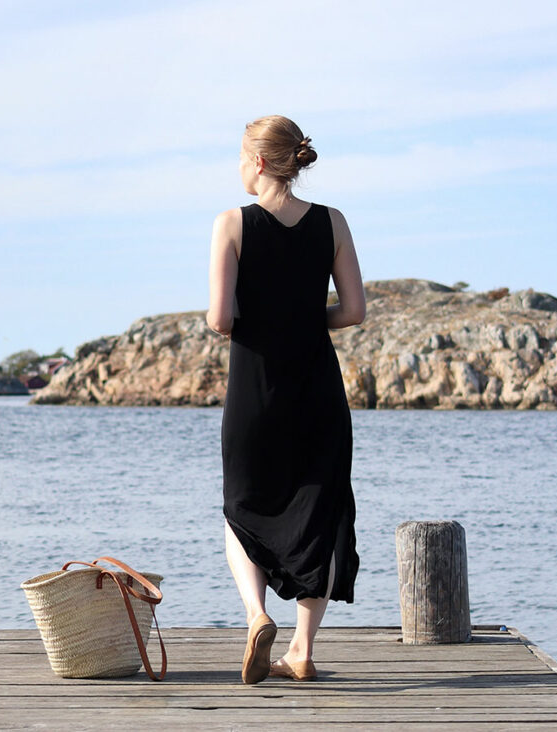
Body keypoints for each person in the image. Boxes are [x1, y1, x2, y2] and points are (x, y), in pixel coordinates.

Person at [206, 115, 366, 685]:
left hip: (254, 390)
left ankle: (255, 615)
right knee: (320, 512)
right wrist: (302, 318)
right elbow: (352, 312)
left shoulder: (231, 224)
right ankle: (301, 650)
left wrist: (264, 320)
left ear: (258, 162)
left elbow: (221, 319)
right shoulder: (334, 222)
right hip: (317, 389)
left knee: (242, 506)